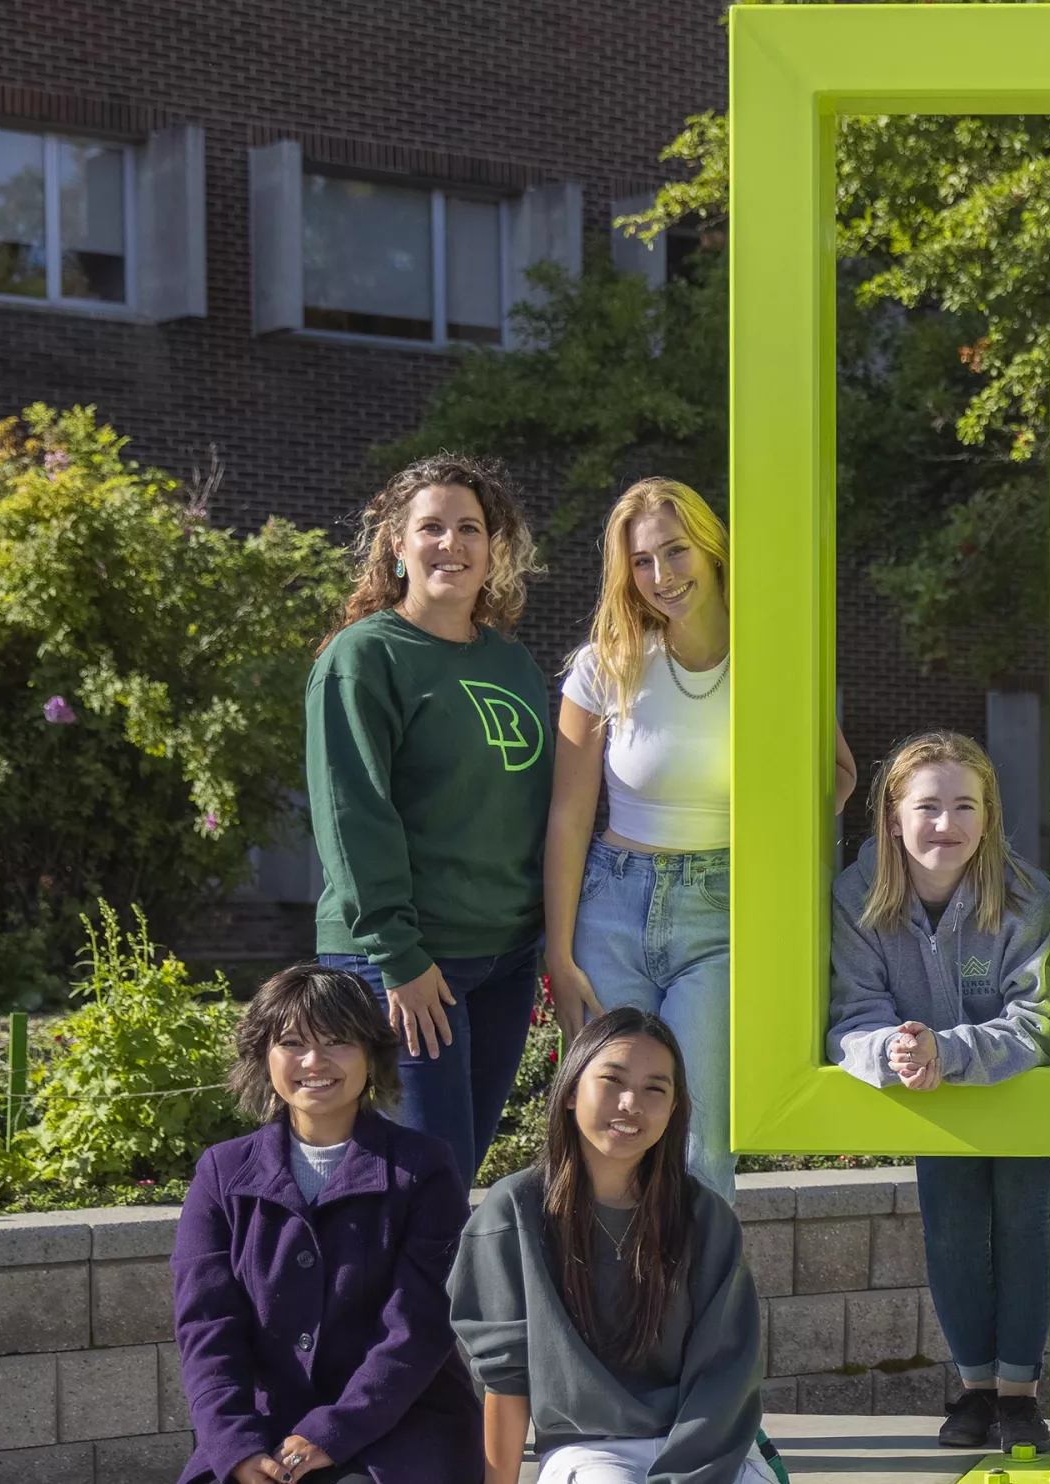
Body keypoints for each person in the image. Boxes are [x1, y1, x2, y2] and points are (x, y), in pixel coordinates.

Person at [309, 455, 553, 1181]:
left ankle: (420, 1301)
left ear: (493, 547)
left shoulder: (512, 664)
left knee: (454, 1174)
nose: (452, 544)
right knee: (416, 1184)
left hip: (505, 959)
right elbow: (352, 814)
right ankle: (374, 1302)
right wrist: (399, 957)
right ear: (396, 544)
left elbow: (536, 810)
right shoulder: (365, 658)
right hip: (409, 959)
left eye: (470, 528)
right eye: (432, 527)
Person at [829, 731, 1050, 1452]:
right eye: (927, 807)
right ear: (892, 816)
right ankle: (976, 1388)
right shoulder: (857, 895)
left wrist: (948, 1051)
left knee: (1023, 1229)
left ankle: (1020, 1394)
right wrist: (890, 1052)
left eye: (965, 806)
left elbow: (1039, 1017)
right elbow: (853, 1009)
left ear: (988, 818)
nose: (945, 824)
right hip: (930, 1095)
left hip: (1016, 1091)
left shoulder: (1025, 895)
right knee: (951, 1232)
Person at [172, 964, 479, 1484]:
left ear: (370, 1055)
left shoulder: (424, 1168)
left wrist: (332, 1432)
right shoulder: (222, 1173)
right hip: (263, 1429)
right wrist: (235, 1446)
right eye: (292, 1042)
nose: (314, 1062)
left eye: (338, 1041)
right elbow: (206, 1328)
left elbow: (417, 1327)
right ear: (263, 1057)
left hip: (401, 1428)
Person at [448, 1008, 769, 1484]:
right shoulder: (513, 1210)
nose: (630, 1103)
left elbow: (725, 1375)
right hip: (591, 1452)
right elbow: (504, 1378)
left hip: (704, 1452)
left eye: (654, 1089)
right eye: (612, 1080)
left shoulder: (706, 1218)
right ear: (572, 1092)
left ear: (675, 1109)